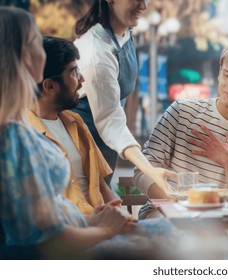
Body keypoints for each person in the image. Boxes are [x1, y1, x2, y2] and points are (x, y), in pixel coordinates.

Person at [0, 7, 199, 260]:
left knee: (181, 235)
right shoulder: (15, 136)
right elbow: (47, 238)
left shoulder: (70, 122)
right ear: (22, 59)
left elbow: (99, 190)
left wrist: (111, 220)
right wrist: (106, 229)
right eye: (33, 42)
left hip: (89, 227)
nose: (81, 79)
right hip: (73, 245)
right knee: (188, 247)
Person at [134, 41, 228, 218]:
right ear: (219, 74)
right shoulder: (182, 111)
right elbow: (142, 171)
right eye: (227, 75)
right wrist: (175, 206)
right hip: (166, 215)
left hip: (224, 227)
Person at [72, 0, 175, 187]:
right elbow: (111, 121)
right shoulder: (97, 53)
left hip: (107, 148)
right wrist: (149, 170)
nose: (143, 6)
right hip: (85, 150)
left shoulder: (124, 31)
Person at [28, 36, 115, 216]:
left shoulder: (76, 121)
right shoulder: (22, 134)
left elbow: (100, 184)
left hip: (101, 228)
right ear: (50, 86)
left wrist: (121, 218)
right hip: (71, 234)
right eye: (74, 72)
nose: (82, 79)